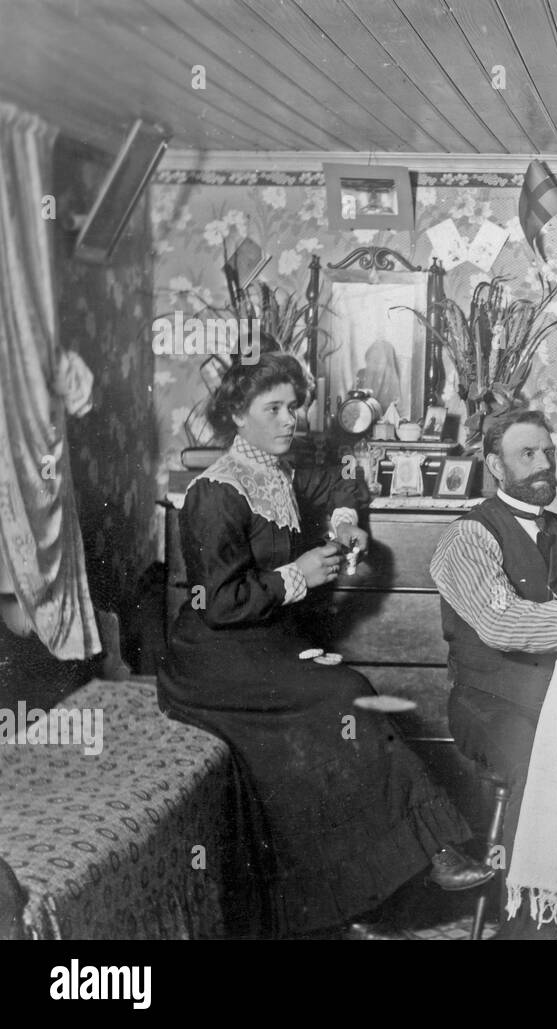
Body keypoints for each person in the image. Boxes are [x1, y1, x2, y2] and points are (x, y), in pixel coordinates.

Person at [158, 352, 491, 940]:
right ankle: (425, 855)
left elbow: (339, 484)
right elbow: (224, 600)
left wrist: (343, 525)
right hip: (211, 655)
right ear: (239, 414)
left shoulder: (280, 473)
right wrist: (301, 574)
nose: (291, 420)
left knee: (342, 707)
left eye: (294, 407)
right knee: (344, 694)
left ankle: (378, 883)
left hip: (260, 644)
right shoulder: (217, 493)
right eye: (275, 409)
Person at [429, 407, 557, 937]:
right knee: (542, 762)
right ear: (495, 466)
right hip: (488, 701)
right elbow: (499, 620)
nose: (544, 464)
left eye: (547, 452)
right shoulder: (466, 538)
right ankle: (525, 927)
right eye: (527, 454)